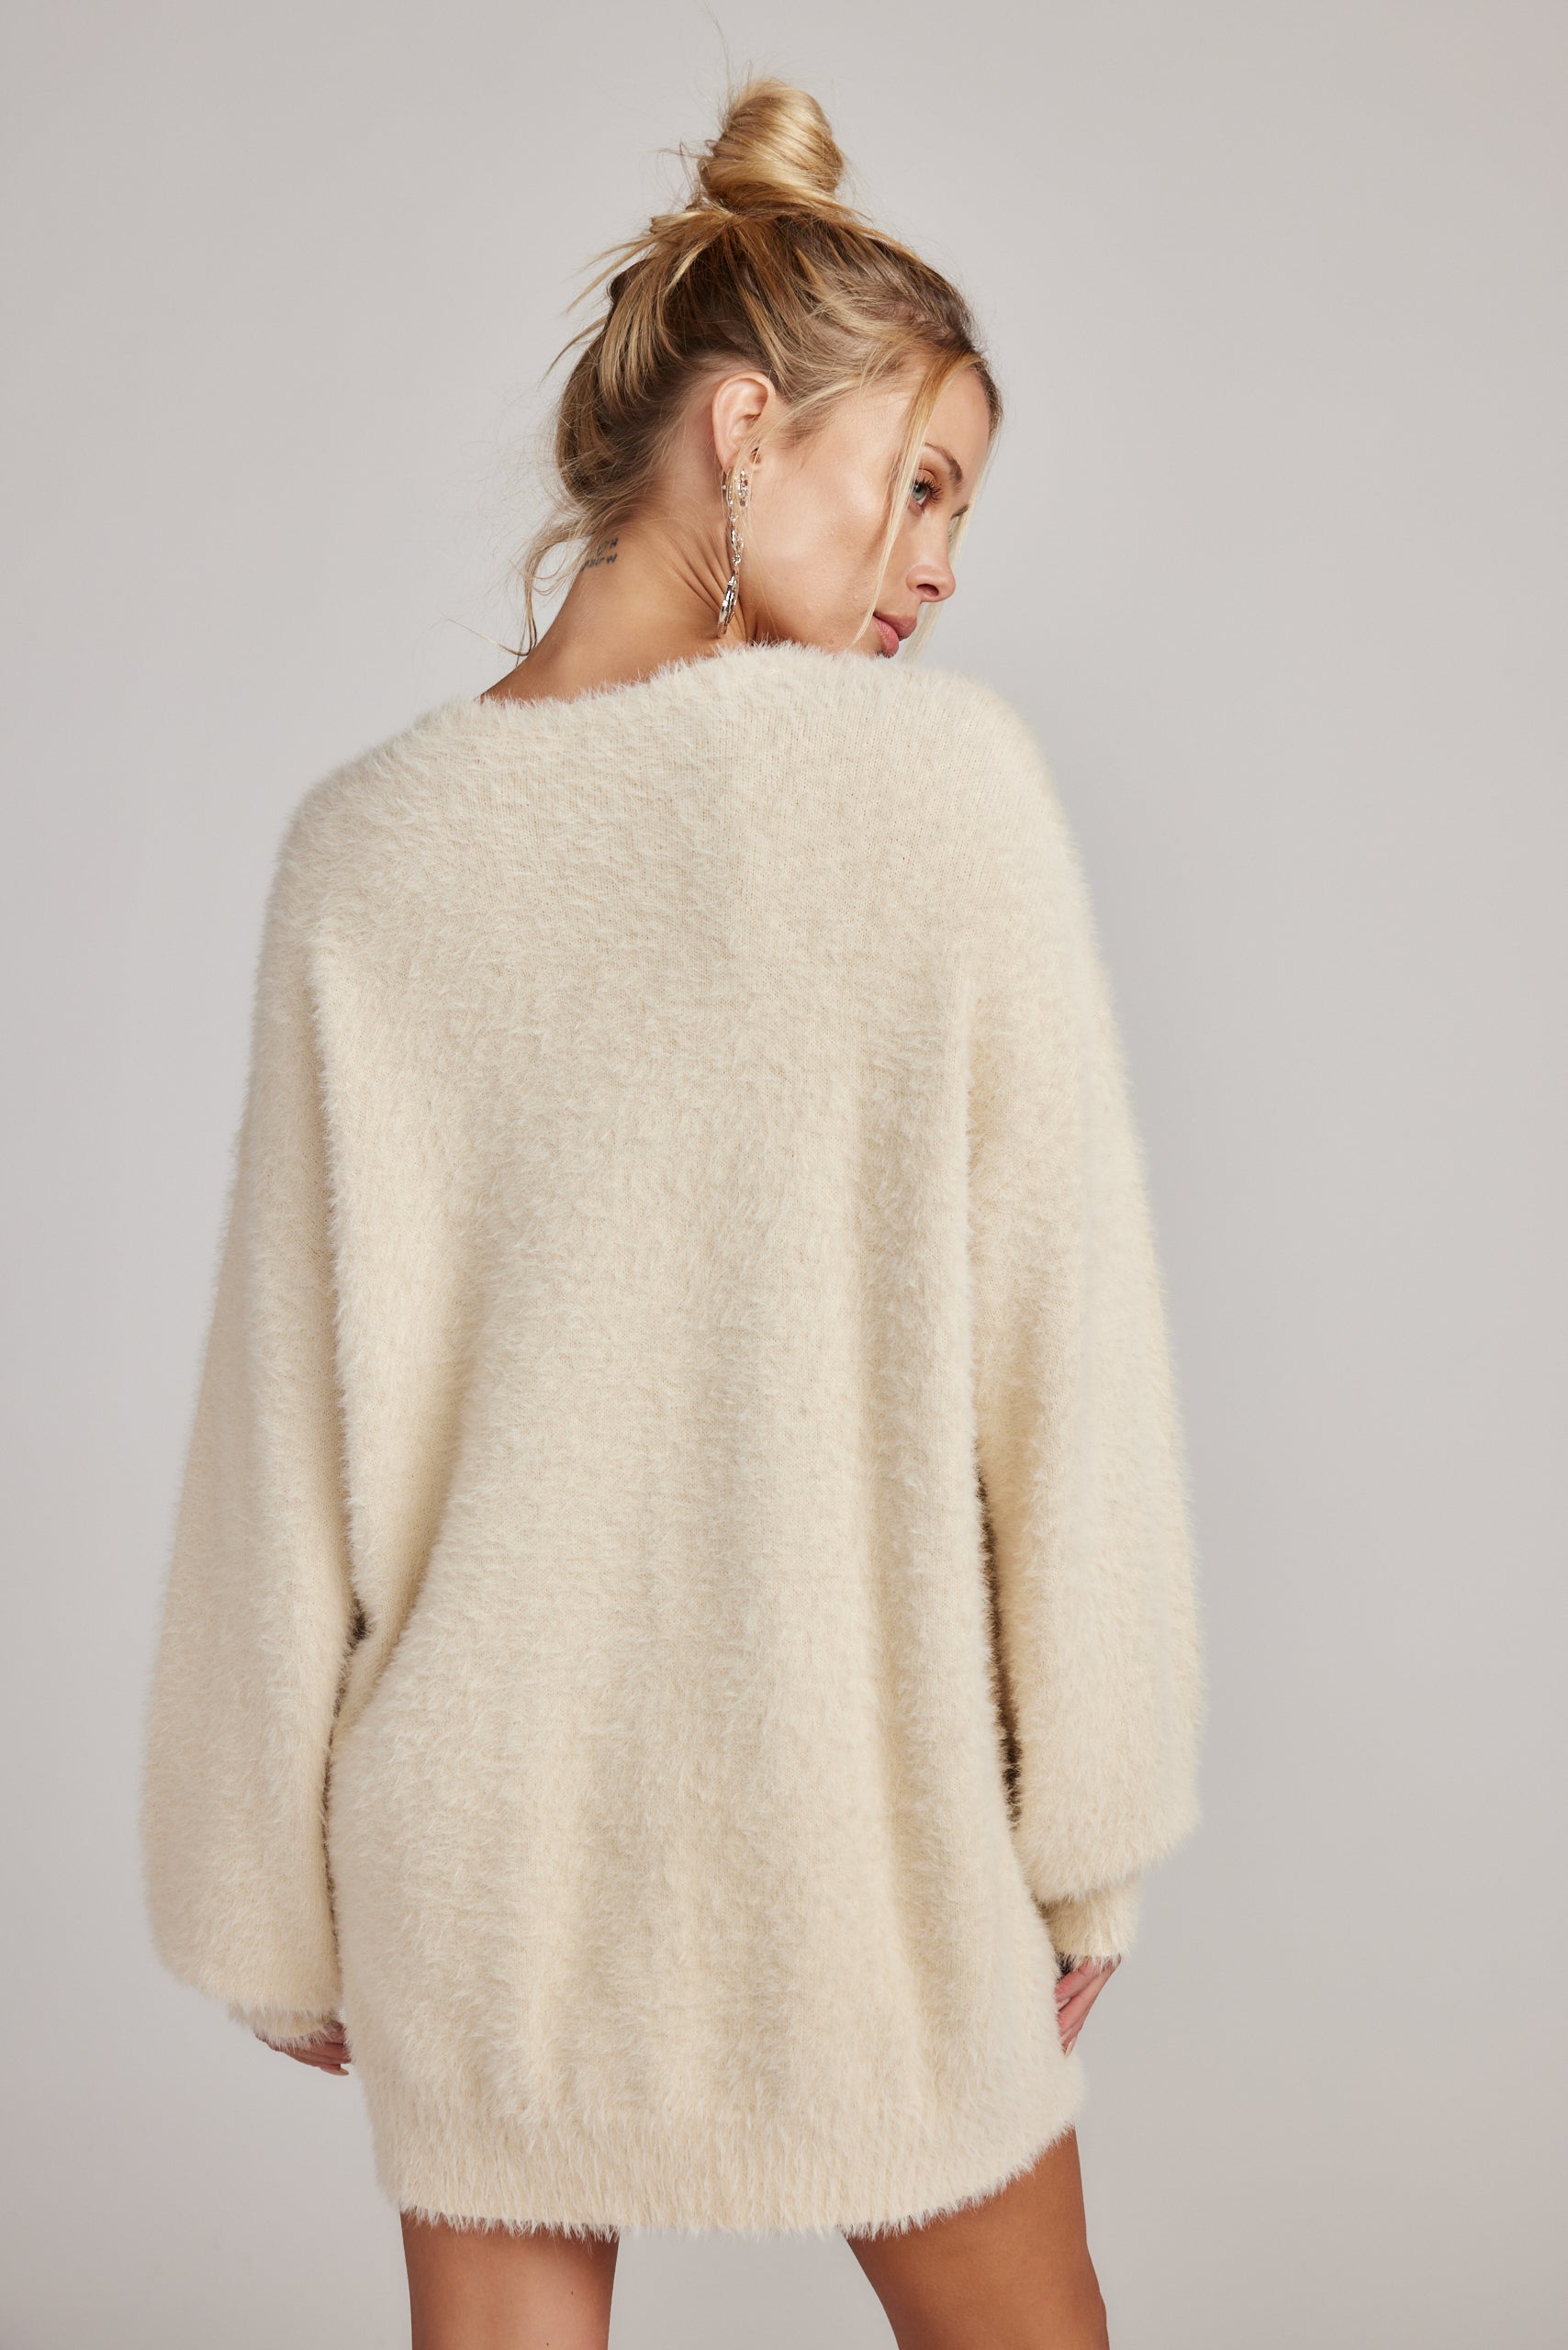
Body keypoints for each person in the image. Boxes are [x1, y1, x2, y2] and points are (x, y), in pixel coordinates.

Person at [140, 73, 1204, 2350]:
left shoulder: (368, 853)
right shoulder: (946, 801)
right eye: (922, 481)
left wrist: (265, 1886)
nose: (939, 564)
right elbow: (1063, 1344)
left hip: (484, 1835)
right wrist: (1086, 1812)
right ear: (741, 429)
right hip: (862, 1818)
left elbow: (280, 1427)